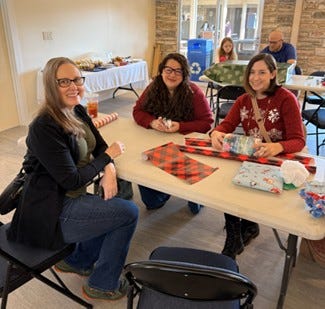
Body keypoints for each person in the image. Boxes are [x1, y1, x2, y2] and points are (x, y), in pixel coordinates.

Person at [7, 57, 139, 300]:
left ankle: (78, 261)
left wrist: (108, 169)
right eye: (64, 81)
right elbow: (72, 180)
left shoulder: (77, 109)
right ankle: (101, 284)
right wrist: (108, 158)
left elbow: (99, 145)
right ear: (50, 86)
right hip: (52, 210)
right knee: (128, 212)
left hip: (69, 199)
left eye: (77, 79)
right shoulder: (43, 126)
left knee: (111, 203)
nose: (74, 86)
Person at [210, 53, 305, 259]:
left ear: (273, 74)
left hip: (278, 161)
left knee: (239, 186)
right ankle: (235, 236)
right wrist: (216, 132)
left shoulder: (286, 99)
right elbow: (227, 124)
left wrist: (277, 147)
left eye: (262, 72)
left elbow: (298, 140)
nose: (255, 77)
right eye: (252, 72)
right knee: (228, 185)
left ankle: (246, 229)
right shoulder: (244, 99)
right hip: (254, 158)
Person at [133, 52, 214, 214]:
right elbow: (137, 111)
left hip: (185, 146)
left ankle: (192, 194)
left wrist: (180, 127)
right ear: (162, 70)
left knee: (193, 201)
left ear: (184, 74)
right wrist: (152, 122)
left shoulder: (193, 92)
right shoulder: (153, 87)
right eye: (168, 70)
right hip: (156, 142)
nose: (172, 75)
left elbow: (207, 122)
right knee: (152, 202)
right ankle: (165, 189)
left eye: (178, 71)